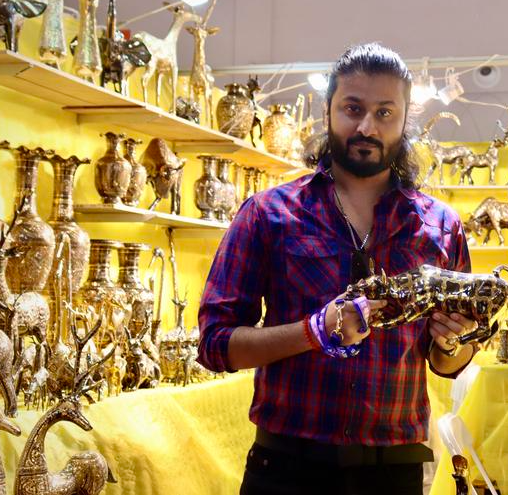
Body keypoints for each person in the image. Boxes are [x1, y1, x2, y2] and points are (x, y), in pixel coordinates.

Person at [198, 42, 480, 495]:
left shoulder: (441, 227)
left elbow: (448, 363)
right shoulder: (268, 214)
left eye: (385, 112)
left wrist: (452, 343)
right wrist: (313, 331)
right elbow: (216, 345)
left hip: (393, 474)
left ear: (404, 120)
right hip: (286, 469)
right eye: (353, 108)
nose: (367, 126)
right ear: (327, 109)